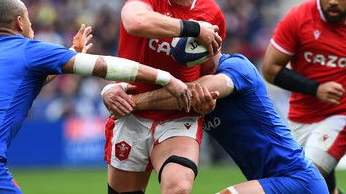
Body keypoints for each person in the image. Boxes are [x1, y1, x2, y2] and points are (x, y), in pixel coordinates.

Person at [0, 0, 192, 194]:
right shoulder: (27, 49)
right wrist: (165, 77)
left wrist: (72, 51)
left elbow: (29, 81)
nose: (31, 25)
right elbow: (104, 67)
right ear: (20, 23)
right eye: (29, 19)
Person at [102, 49, 329, 194]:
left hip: (297, 179)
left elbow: (196, 90)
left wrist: (132, 101)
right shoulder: (188, 89)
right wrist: (111, 89)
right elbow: (160, 90)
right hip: (268, 181)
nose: (189, 64)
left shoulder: (237, 68)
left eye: (195, 56)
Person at [104, 0, 226, 194]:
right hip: (130, 111)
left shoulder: (212, 13)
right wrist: (193, 28)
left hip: (177, 114)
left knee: (178, 188)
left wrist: (205, 98)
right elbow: (134, 22)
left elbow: (209, 71)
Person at [261, 0, 346, 194]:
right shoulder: (299, 18)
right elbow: (269, 69)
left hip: (340, 116)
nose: (334, 1)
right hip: (301, 117)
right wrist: (316, 88)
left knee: (307, 178)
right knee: (317, 185)